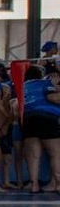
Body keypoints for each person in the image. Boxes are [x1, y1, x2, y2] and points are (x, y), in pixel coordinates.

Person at [20, 64, 60, 193]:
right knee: (55, 153)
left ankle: (34, 185)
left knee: (34, 155)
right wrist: (54, 86)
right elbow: (52, 97)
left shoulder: (23, 86)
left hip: (28, 120)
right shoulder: (45, 82)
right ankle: (59, 184)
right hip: (46, 118)